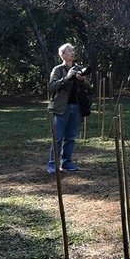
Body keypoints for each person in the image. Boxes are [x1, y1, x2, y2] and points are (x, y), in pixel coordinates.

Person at [47, 43, 92, 174]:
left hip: (76, 107)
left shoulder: (78, 68)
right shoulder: (57, 69)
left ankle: (66, 162)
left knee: (71, 137)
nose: (72, 53)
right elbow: (51, 87)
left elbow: (88, 86)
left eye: (72, 50)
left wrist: (82, 80)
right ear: (62, 55)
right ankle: (53, 164)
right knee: (58, 137)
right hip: (61, 107)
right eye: (69, 51)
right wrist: (67, 78)